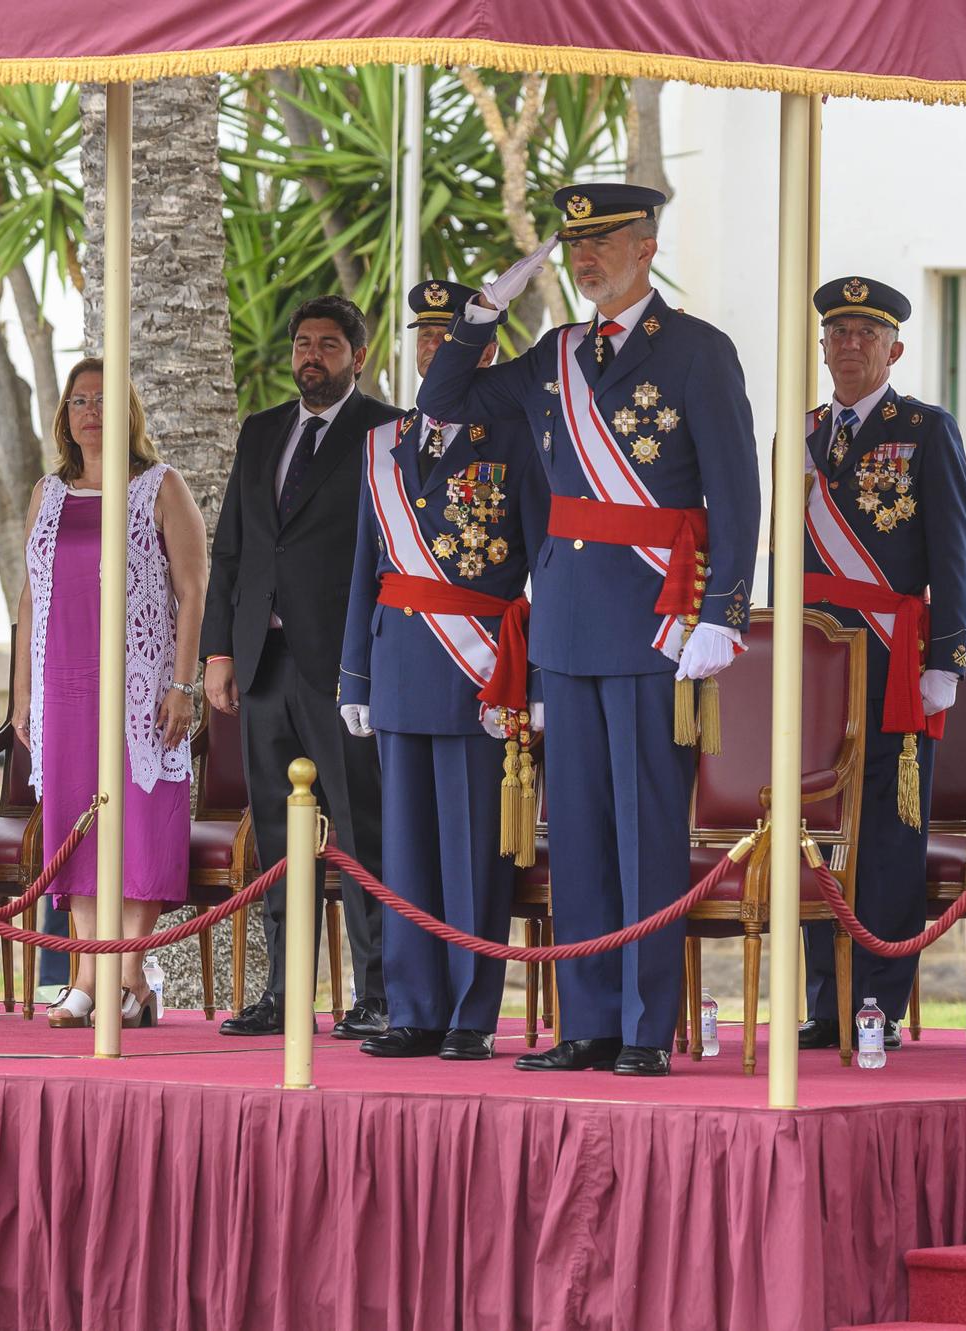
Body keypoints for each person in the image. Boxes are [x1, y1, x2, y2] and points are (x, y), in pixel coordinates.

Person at [420, 184, 760, 1077]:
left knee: (647, 828)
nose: (584, 257)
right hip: (567, 624)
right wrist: (480, 312)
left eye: (602, 239)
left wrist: (724, 610)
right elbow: (444, 401)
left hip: (657, 621)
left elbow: (735, 488)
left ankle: (646, 1027)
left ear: (646, 245)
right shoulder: (553, 355)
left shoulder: (695, 351)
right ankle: (589, 1020)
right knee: (575, 831)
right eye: (575, 242)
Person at [339, 281, 547, 1060]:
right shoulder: (381, 446)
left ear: (482, 351)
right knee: (408, 853)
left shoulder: (515, 435)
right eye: (424, 337)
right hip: (397, 666)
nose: (434, 350)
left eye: (447, 337)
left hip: (480, 672)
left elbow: (546, 564)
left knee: (471, 856)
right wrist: (355, 676)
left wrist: (540, 680)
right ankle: (413, 1009)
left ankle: (469, 1013)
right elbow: (364, 566)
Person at [203, 295, 400, 1040]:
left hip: (345, 668)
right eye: (302, 344)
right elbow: (233, 550)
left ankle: (376, 996)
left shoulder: (384, 431)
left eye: (327, 344)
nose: (311, 356)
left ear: (357, 352)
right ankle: (286, 995)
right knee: (280, 843)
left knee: (360, 832)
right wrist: (219, 652)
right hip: (262, 664)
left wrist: (374, 661)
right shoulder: (261, 433)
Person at [792, 278, 966, 1051]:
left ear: (894, 348)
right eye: (837, 331)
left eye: (866, 332)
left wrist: (949, 658)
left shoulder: (926, 429)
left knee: (891, 835)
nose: (849, 344)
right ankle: (824, 1000)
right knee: (818, 827)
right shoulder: (797, 437)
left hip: (895, 658)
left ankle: (877, 1001)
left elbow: (954, 550)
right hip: (814, 667)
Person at [17, 359, 207, 1029]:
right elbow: (30, 598)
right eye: (80, 401)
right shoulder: (49, 491)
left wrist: (184, 685)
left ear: (128, 410)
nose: (91, 411)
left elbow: (192, 590)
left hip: (142, 686)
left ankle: (133, 973)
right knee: (78, 822)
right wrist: (22, 696)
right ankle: (90, 975)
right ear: (66, 414)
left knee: (138, 817)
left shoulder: (160, 486)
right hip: (63, 685)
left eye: (104, 399)